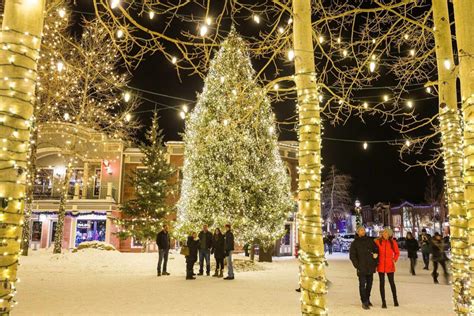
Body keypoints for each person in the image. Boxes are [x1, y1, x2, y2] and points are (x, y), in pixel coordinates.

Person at [349, 225, 378, 310]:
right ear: (358, 232)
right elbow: (352, 256)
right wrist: (357, 265)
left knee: (369, 284)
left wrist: (375, 260)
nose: (363, 231)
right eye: (361, 230)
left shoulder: (370, 241)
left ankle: (367, 298)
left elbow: (376, 250)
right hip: (361, 268)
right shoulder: (355, 243)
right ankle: (364, 301)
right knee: (362, 285)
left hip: (370, 267)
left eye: (363, 230)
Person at [375, 227, 400, 308]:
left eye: (386, 233)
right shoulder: (378, 241)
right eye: (384, 232)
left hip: (390, 265)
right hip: (381, 265)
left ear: (389, 234)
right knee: (382, 284)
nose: (385, 234)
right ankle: (383, 301)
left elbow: (397, 252)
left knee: (392, 283)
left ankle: (395, 300)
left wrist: (394, 259)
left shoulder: (393, 242)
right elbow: (373, 248)